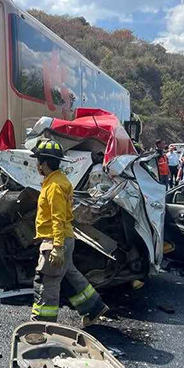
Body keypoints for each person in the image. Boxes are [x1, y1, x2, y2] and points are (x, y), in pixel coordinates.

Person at [30, 139, 109, 327]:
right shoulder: (57, 181)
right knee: (70, 274)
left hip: (56, 241)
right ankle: (94, 307)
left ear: (45, 163)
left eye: (38, 160)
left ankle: (43, 325)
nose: (37, 164)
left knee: (46, 282)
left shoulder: (54, 186)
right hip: (65, 239)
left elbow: (57, 218)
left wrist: (56, 247)